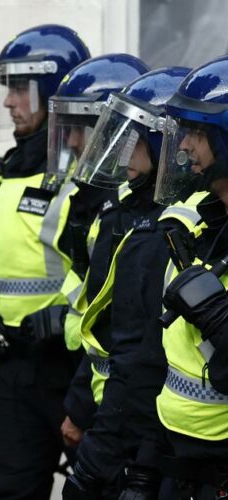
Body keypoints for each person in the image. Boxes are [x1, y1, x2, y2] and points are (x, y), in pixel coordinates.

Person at [0, 25, 91, 499]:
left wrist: (62, 319)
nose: (9, 102)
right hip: (15, 364)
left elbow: (113, 275)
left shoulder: (91, 178)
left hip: (78, 369)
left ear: (52, 93)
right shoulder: (10, 169)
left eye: (19, 88)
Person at [58, 67, 193, 499]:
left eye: (131, 135)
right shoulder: (136, 212)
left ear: (163, 143)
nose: (120, 150)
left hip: (147, 433)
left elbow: (143, 356)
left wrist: (97, 462)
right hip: (128, 421)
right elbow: (101, 326)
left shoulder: (164, 228)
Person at [144, 55, 228, 499]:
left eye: (197, 132)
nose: (185, 147)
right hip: (180, 455)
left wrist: (216, 315)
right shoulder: (195, 223)